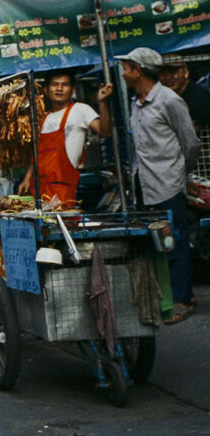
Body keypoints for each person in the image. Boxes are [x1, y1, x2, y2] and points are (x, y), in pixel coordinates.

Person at [117, 47, 200, 324]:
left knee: (173, 240)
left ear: (138, 70)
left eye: (126, 68)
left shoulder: (169, 101)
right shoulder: (135, 103)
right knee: (155, 243)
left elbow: (191, 143)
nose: (123, 73)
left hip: (168, 184)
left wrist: (180, 174)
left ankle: (182, 300)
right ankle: (172, 295)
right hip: (144, 183)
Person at [17, 70, 113, 206]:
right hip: (38, 190)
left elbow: (105, 132)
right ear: (46, 90)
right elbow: (37, 155)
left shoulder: (80, 110)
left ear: (73, 90)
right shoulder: (43, 119)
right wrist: (27, 179)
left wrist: (102, 103)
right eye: (55, 84)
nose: (59, 88)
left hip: (63, 190)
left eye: (65, 85)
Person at [160, 61, 210, 131]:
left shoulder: (199, 98)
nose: (168, 77)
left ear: (186, 73)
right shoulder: (161, 97)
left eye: (173, 72)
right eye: (164, 73)